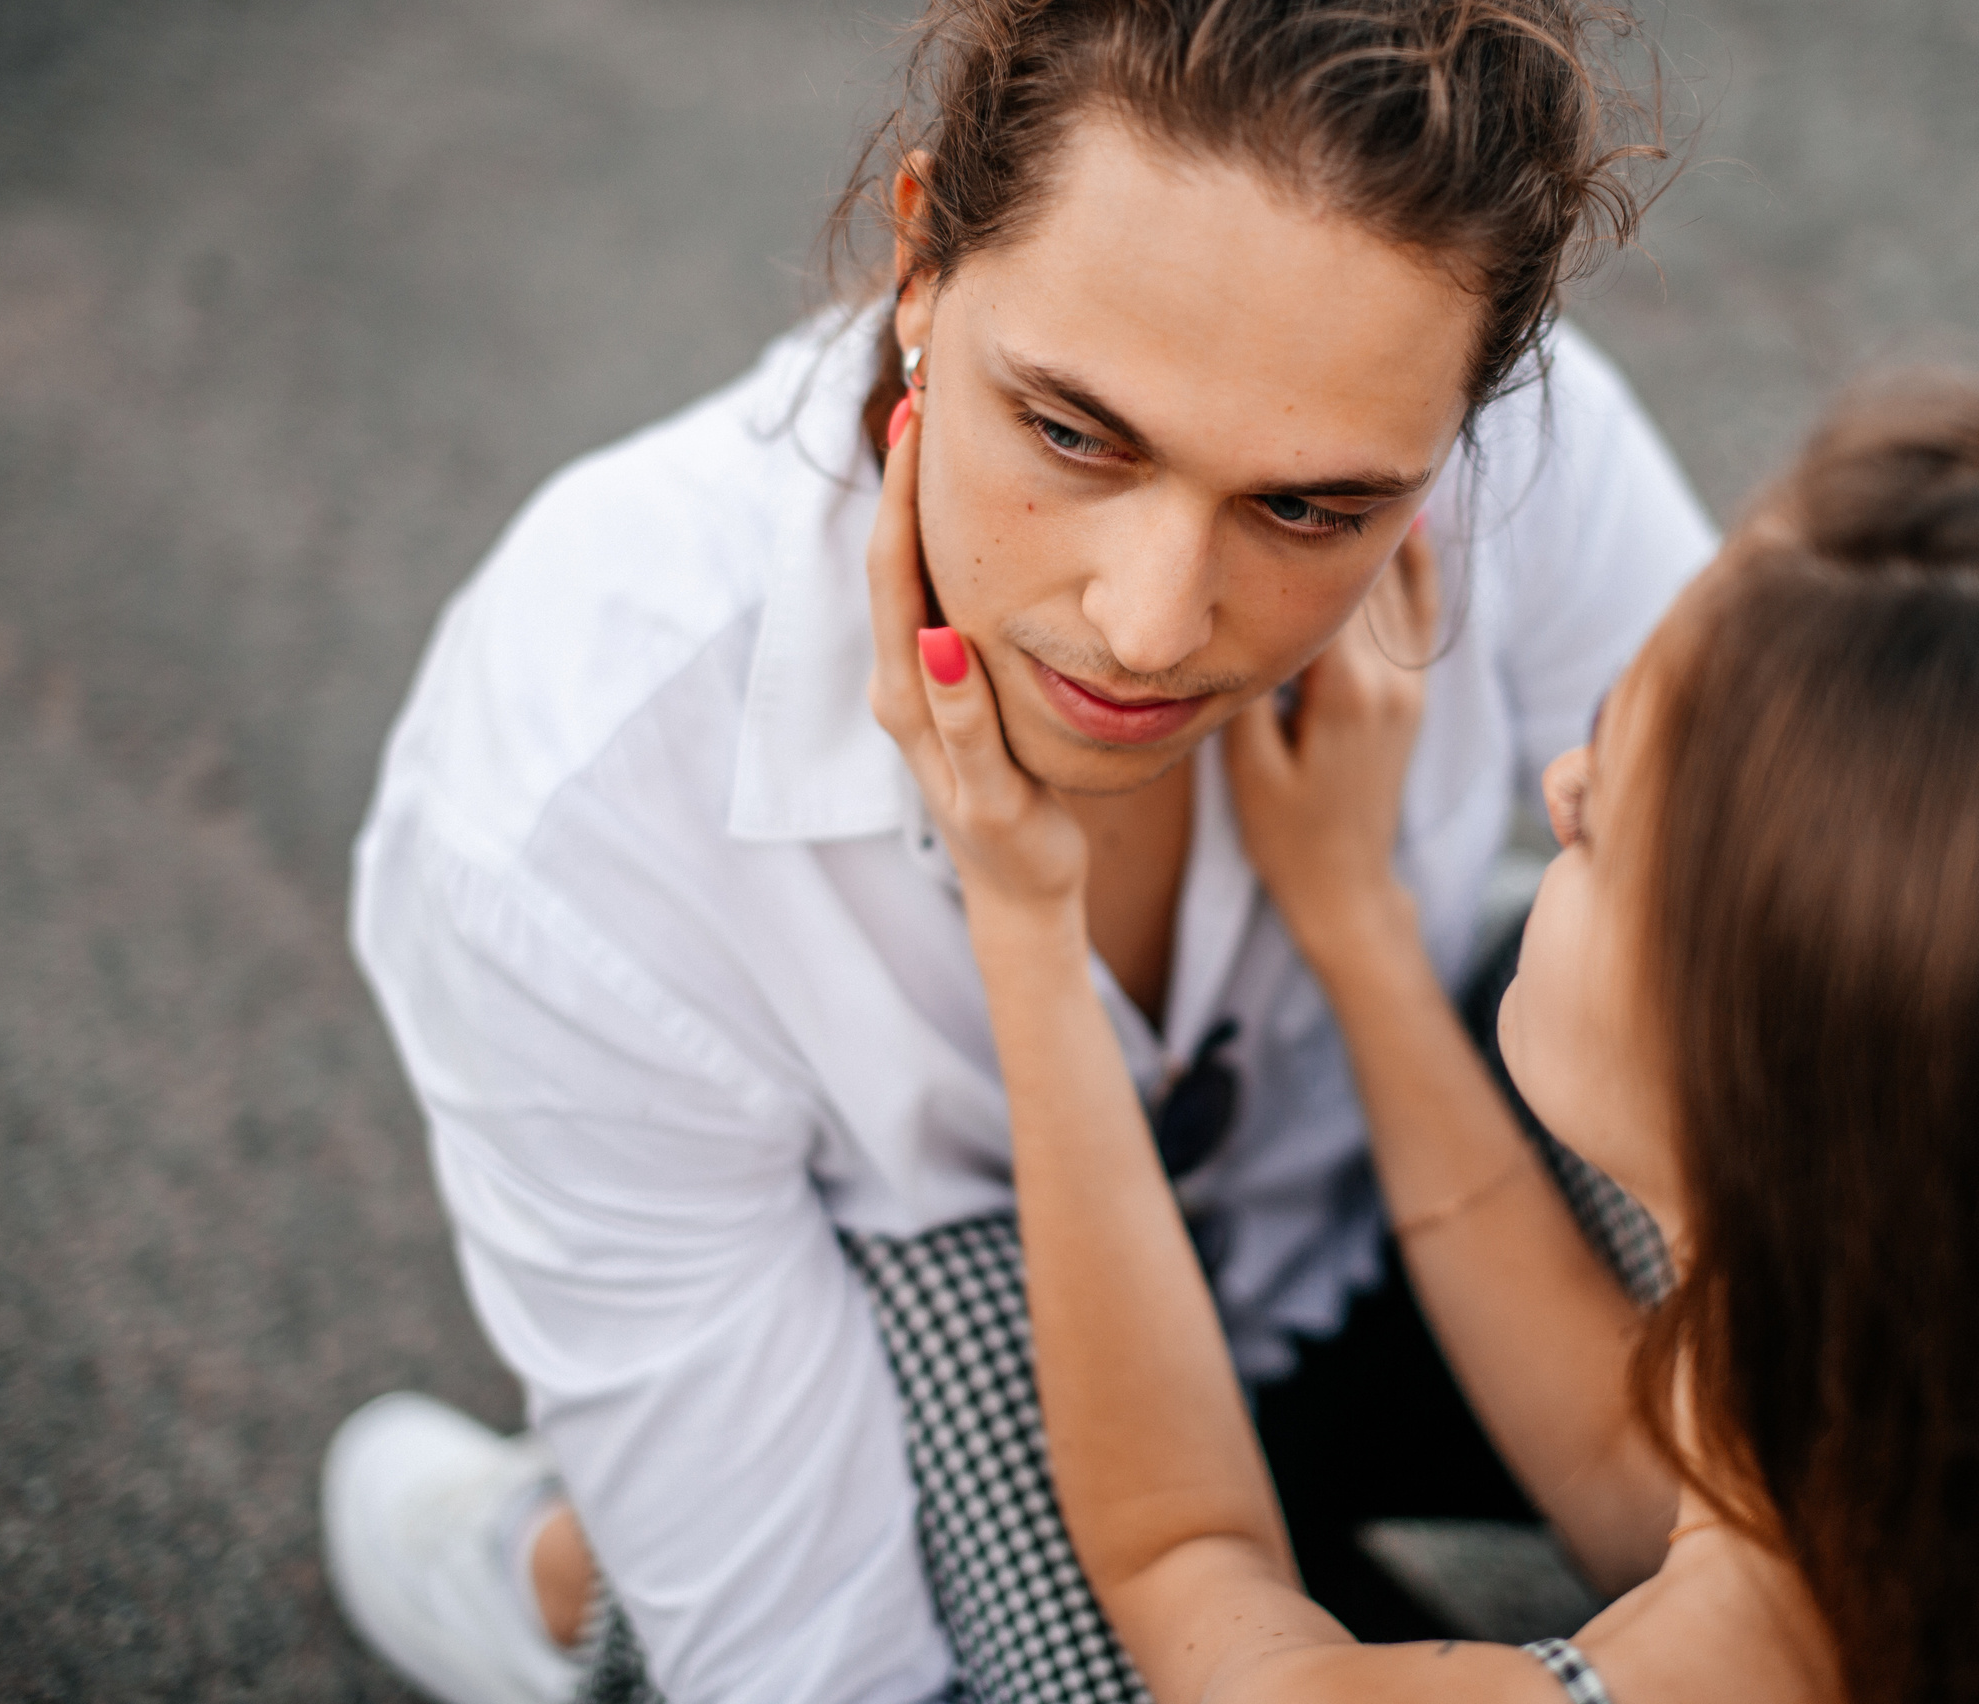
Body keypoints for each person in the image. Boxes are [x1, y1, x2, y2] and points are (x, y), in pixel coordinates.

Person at [321, 3, 1715, 1702]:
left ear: (1469, 417)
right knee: (900, 1354)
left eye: (1310, 509)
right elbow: (825, 1672)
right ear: (919, 264)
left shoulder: (1512, 448)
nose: (1146, 626)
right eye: (1072, 432)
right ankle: (578, 1583)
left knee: (1692, 996)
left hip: (1393, 1227)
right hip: (975, 1389)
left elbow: (1851, 1001)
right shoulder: (568, 782)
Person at [881, 372, 1979, 1704]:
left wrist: (1028, 921)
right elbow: (1632, 1476)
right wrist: (1352, 925)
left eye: (1606, 810)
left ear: (1757, 1092)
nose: (1552, 793)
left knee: (937, 1315)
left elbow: (1185, 1565)